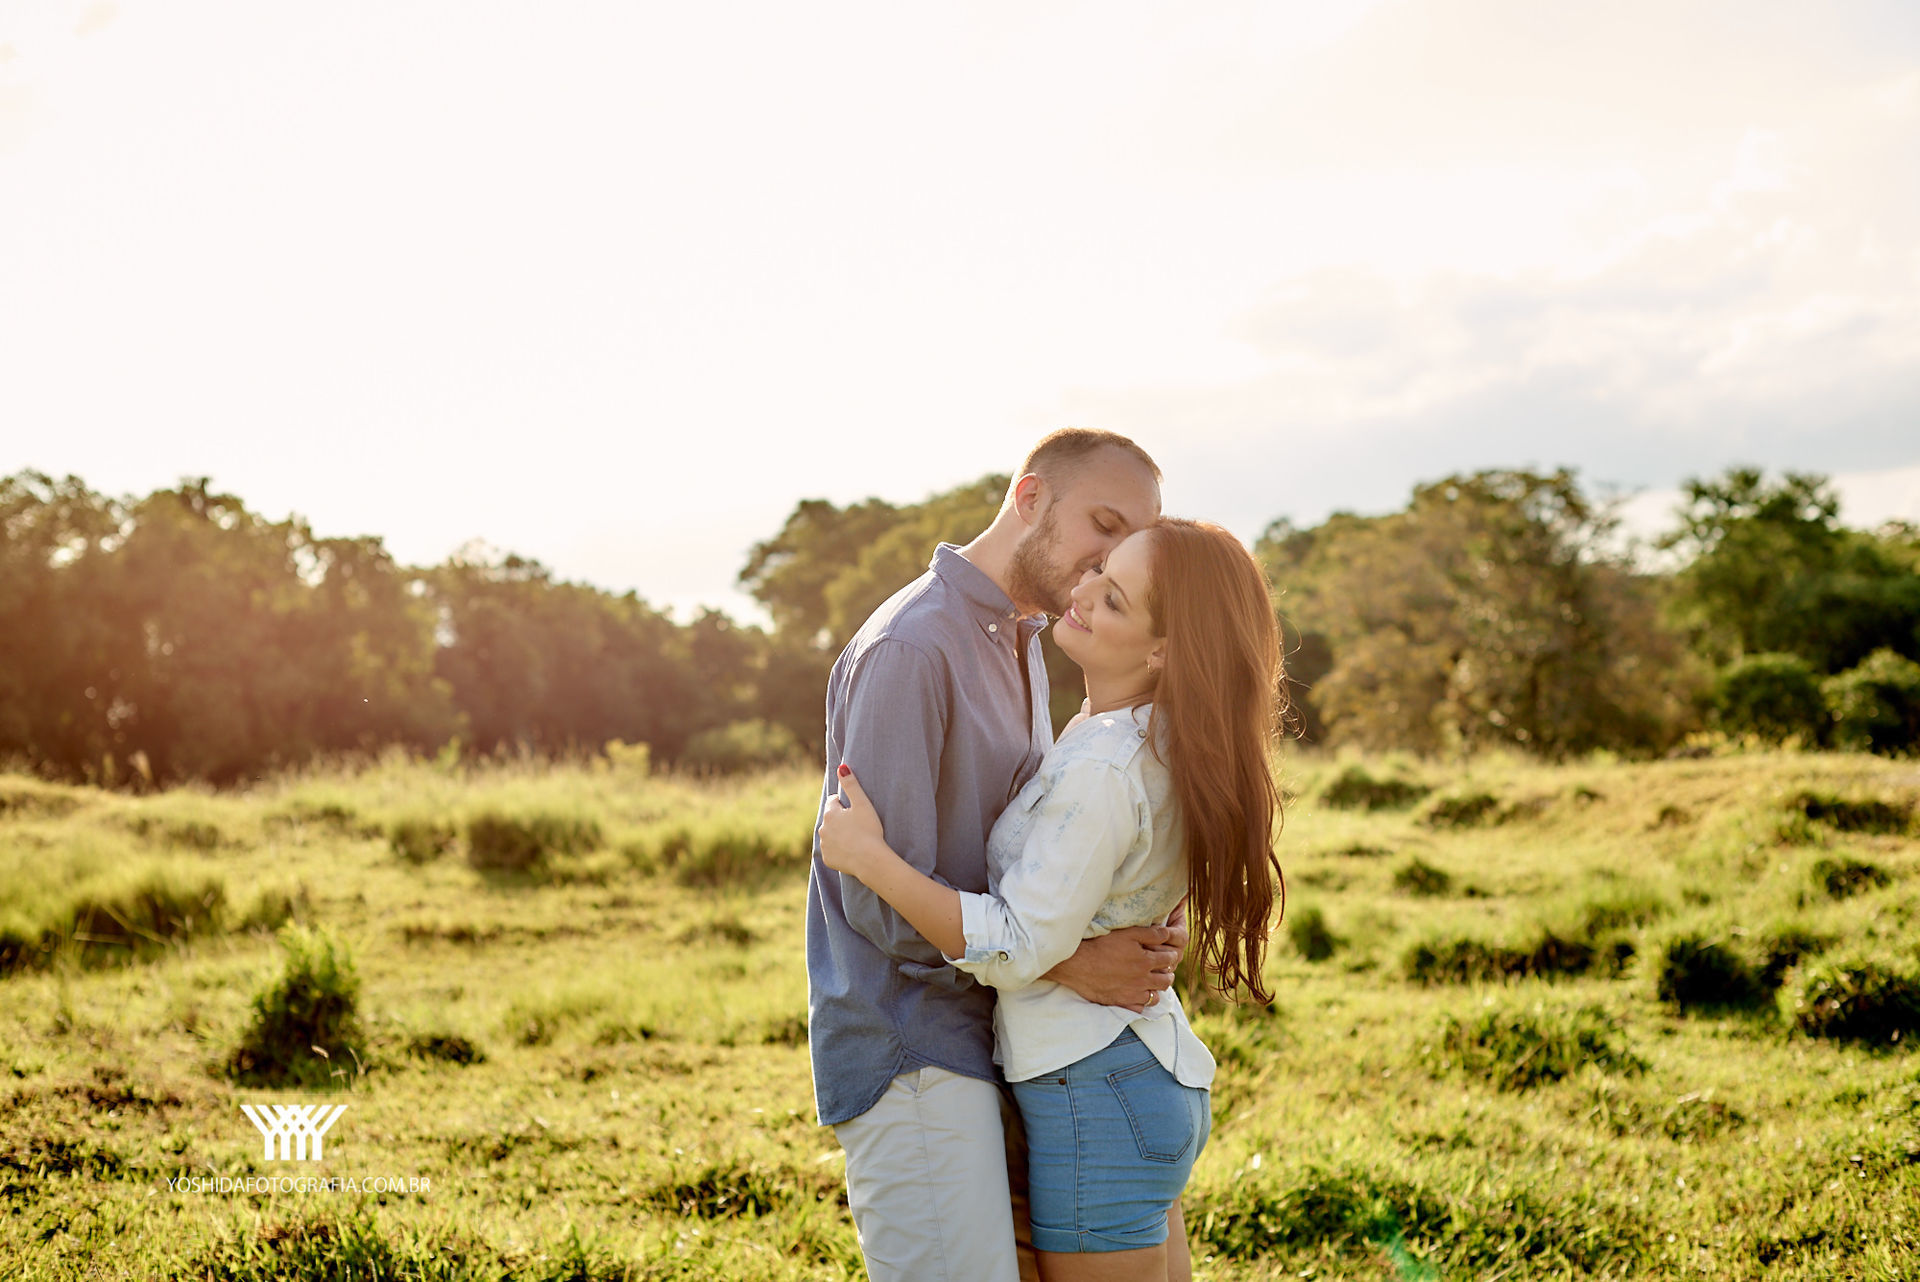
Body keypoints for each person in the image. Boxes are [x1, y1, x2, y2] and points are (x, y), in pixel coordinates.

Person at [819, 518, 1285, 1282]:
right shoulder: (1139, 738)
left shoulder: (1104, 764)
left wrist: (870, 859)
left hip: (1096, 1092)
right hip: (1133, 1076)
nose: (1083, 595)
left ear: (1162, 650)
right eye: (1097, 574)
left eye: (1115, 599)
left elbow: (1015, 943)